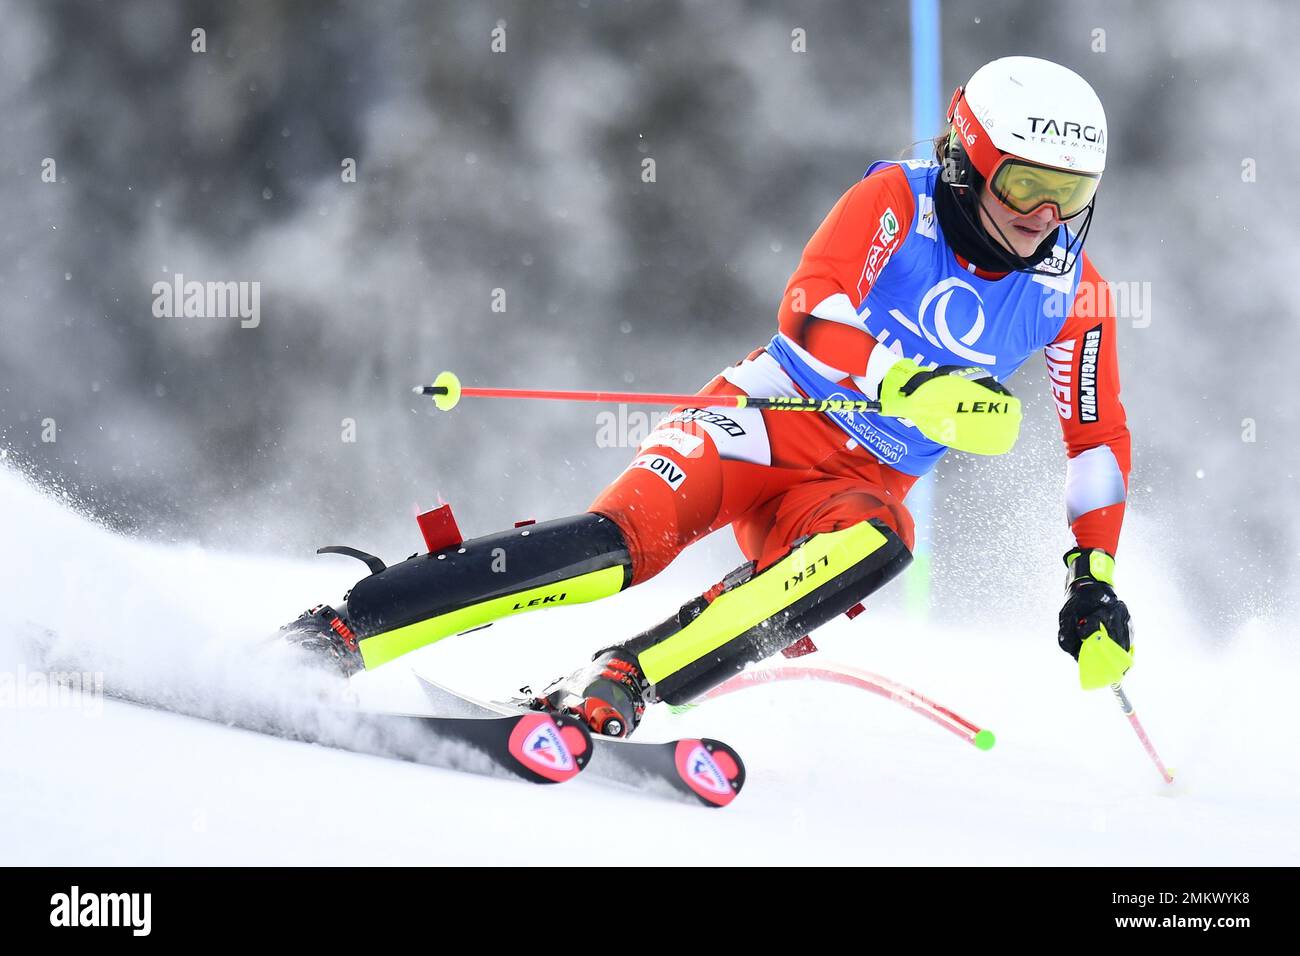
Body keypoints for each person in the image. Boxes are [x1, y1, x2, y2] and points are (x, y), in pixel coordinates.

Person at [285, 55, 1134, 737]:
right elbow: (810, 308)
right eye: (1027, 184)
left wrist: (1091, 578)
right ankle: (348, 631)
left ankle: (625, 678)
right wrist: (906, 383)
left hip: (850, 491)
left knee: (882, 542)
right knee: (612, 553)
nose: (1047, 216)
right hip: (759, 423)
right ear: (971, 158)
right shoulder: (895, 204)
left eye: (1075, 194)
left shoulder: (1071, 292)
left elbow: (1097, 439)